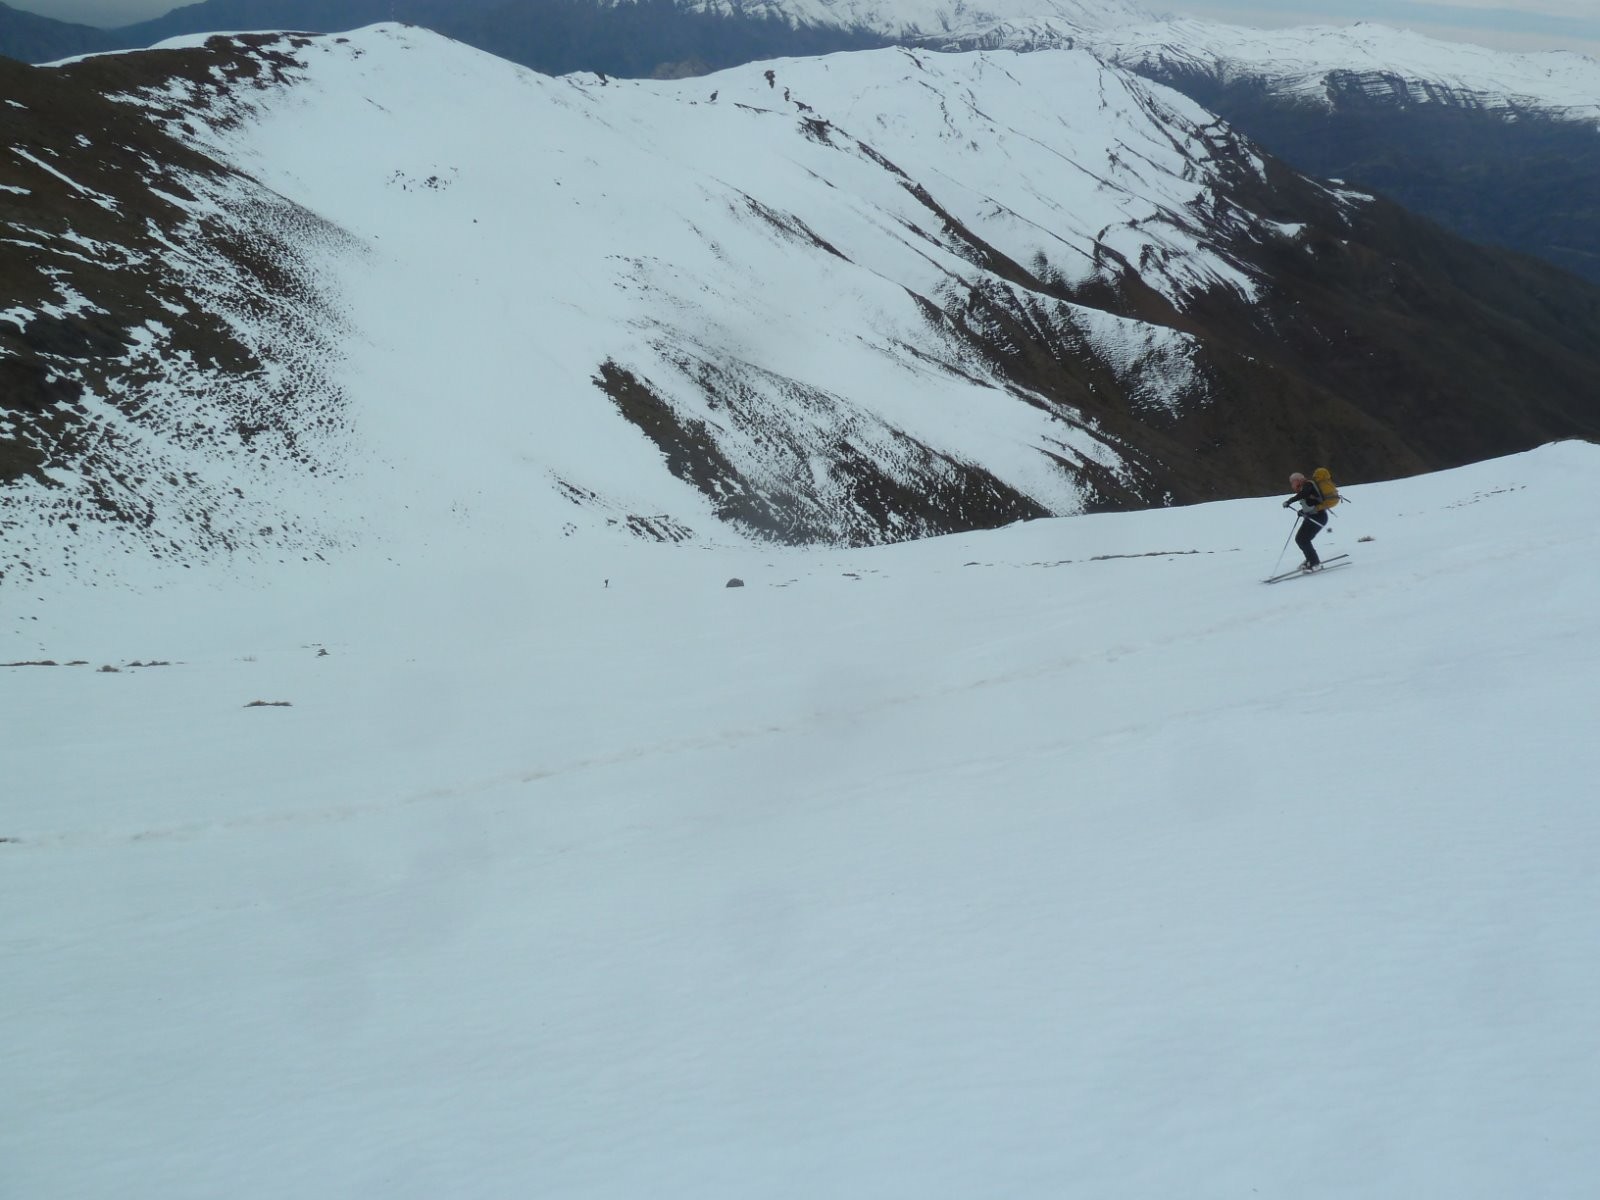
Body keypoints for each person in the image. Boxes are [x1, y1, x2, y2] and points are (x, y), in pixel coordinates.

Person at [1282, 471, 1329, 570]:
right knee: (1300, 539)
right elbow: (1311, 503)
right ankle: (1311, 560)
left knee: (1303, 539)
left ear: (1297, 480)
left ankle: (1314, 562)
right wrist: (1302, 511)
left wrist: (1290, 501)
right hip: (1314, 517)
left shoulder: (1307, 485)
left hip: (1318, 517)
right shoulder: (1305, 487)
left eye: (1292, 482)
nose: (1292, 485)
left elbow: (1304, 494)